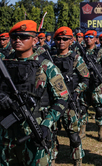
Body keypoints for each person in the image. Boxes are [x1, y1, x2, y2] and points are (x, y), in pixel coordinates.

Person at [0, 20, 69, 166]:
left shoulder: (46, 66)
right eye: (14, 37)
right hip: (6, 135)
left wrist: (46, 124)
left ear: (35, 40)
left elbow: (62, 100)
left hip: (34, 132)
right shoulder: (2, 64)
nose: (18, 40)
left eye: (24, 37)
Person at [51, 27, 90, 166]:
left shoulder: (76, 59)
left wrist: (77, 91)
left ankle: (77, 161)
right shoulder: (50, 58)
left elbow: (85, 79)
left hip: (70, 103)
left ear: (71, 41)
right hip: (53, 104)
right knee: (51, 135)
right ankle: (52, 159)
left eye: (65, 39)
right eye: (58, 39)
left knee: (73, 135)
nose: (61, 41)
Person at [78, 30, 102, 142]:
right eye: (86, 37)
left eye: (91, 37)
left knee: (100, 109)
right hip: (84, 85)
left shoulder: (101, 52)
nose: (88, 39)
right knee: (82, 109)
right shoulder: (80, 52)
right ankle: (82, 131)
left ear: (96, 39)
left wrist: (101, 77)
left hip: (97, 87)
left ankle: (101, 132)